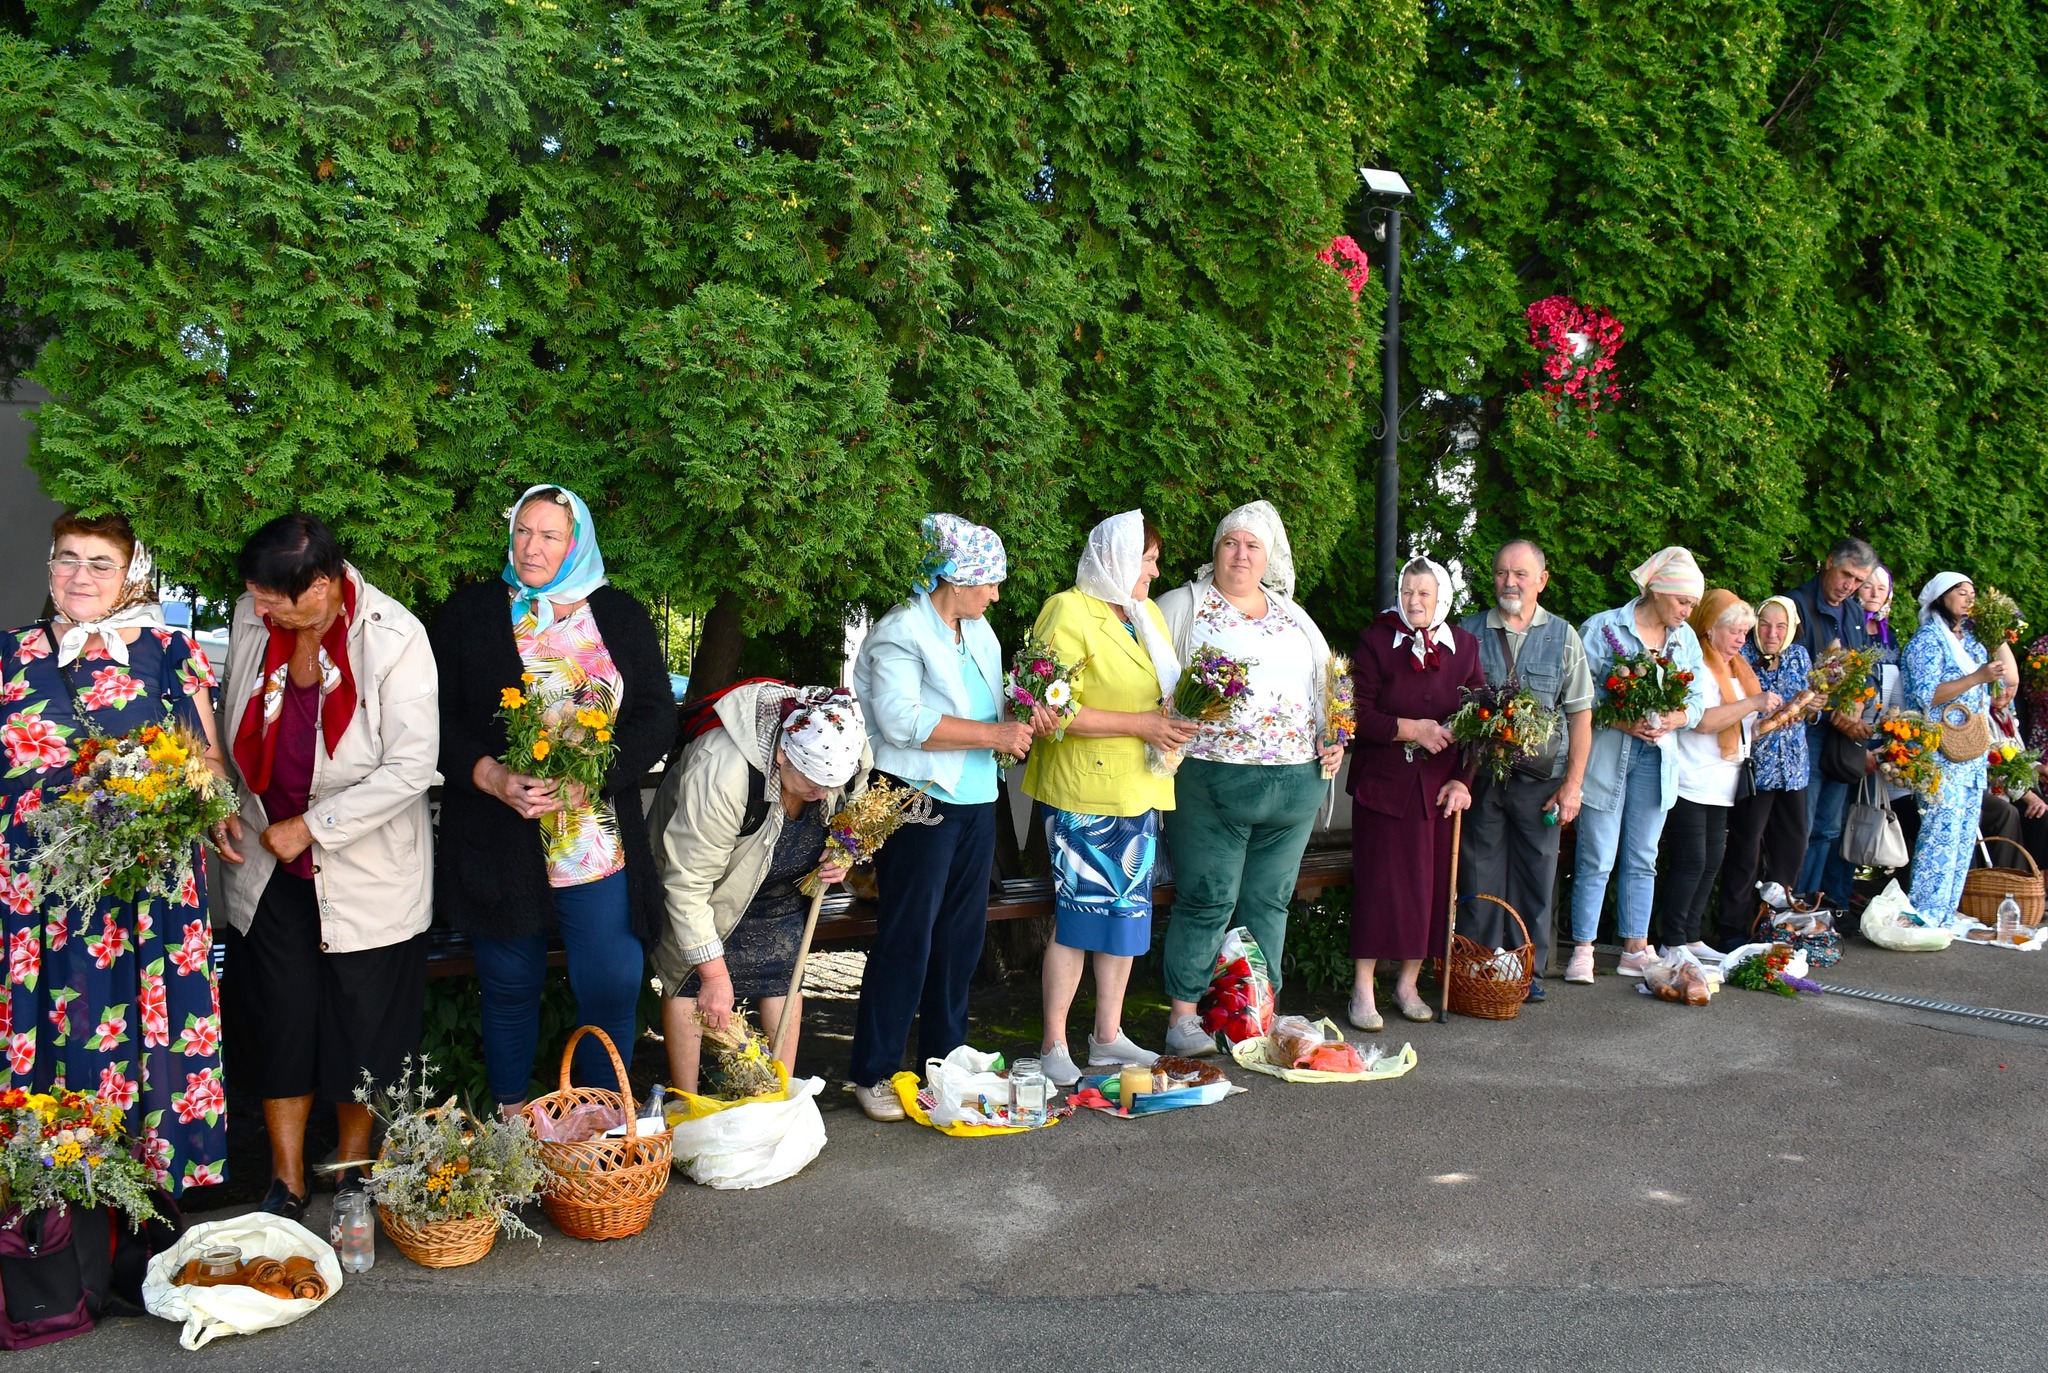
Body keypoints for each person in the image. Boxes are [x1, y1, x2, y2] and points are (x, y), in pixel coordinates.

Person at [215, 513, 437, 1218]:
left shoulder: (395, 636)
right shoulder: (252, 619)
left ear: (320, 587)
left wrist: (312, 827)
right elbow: (227, 722)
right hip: (267, 867)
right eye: (254, 594)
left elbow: (411, 766)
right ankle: (286, 1181)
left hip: (366, 871)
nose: (258, 608)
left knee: (361, 1028)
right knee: (279, 1021)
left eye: (271, 597)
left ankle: (351, 1174)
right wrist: (218, 798)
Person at [1, 513, 228, 1199]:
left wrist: (176, 796)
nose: (80, 575)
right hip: (38, 891)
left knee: (144, 1036)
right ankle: (53, 1208)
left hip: (144, 889)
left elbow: (210, 765)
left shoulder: (169, 651)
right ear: (49, 568)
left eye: (100, 562)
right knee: (56, 1031)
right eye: (67, 558)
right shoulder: (9, 655)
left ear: (131, 575)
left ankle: (146, 1209)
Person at [431, 486, 672, 1110]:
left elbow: (655, 715)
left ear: (576, 543)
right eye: (522, 531)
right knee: (509, 985)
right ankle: (514, 1128)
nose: (531, 547)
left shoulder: (619, 614)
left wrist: (594, 776)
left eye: (549, 536)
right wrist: (489, 775)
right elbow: (434, 717)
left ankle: (600, 1123)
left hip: (593, 837)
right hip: (500, 832)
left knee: (613, 980)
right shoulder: (471, 613)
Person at [847, 515, 1043, 1121]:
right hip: (917, 796)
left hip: (975, 795)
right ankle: (874, 1071)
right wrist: (994, 734)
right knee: (907, 935)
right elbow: (901, 720)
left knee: (961, 939)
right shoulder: (900, 632)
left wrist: (1030, 710)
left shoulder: (977, 630)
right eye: (990, 582)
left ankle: (944, 1061)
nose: (996, 595)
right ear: (956, 579)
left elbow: (990, 707)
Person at [1155, 502, 1339, 1053]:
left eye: (1252, 545)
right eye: (1230, 542)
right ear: (1215, 550)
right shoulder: (1182, 606)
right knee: (1206, 897)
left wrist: (1334, 738)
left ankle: (1257, 1012)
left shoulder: (1294, 615)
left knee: (1270, 901)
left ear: (1269, 556)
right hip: (1210, 783)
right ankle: (1184, 1017)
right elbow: (1148, 683)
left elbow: (1328, 688)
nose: (1240, 554)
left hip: (1295, 785)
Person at [1023, 511, 1193, 1084]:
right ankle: (1053, 1043)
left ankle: (1107, 1037)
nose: (1155, 571)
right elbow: (1050, 706)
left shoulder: (1145, 615)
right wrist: (1143, 725)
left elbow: (1160, 693)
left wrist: (1180, 717)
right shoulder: (1067, 610)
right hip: (1083, 793)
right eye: (1148, 559)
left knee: (1125, 916)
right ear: (1116, 559)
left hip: (1140, 788)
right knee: (1078, 919)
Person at [650, 684, 868, 1094]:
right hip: (708, 885)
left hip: (780, 885)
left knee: (783, 972)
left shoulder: (844, 741)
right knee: (690, 979)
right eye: (813, 782)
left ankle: (777, 1098)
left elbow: (857, 800)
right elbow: (687, 885)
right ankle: (687, 1103)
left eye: (831, 783)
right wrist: (715, 976)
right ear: (782, 754)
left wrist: (846, 848)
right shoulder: (723, 771)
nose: (823, 794)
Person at [1454, 539, 1594, 1002]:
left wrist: (1573, 786)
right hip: (1481, 779)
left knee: (1536, 877)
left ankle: (1525, 971)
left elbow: (1581, 716)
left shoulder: (1565, 636)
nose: (1509, 582)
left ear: (1542, 581)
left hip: (1541, 784)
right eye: (1501, 573)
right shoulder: (1467, 632)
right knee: (1478, 875)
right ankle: (1477, 966)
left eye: (1520, 574)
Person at [1346, 557, 1483, 1028]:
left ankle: (1408, 984)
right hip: (1383, 789)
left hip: (1437, 794)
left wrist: (1463, 780)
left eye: (1424, 593)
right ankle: (1363, 989)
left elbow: (1481, 722)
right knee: (1377, 888)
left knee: (1430, 891)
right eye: (1407, 591)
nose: (1414, 601)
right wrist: (1413, 730)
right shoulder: (1376, 641)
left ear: (1442, 597)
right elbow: (1356, 713)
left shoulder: (1464, 647)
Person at [1564, 547, 1707, 983]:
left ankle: (1634, 949)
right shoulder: (1604, 628)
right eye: (1683, 601)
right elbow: (1579, 697)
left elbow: (1698, 701)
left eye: (1693, 605)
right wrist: (1622, 720)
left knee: (1644, 857)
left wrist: (1676, 718)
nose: (1687, 611)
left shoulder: (1685, 639)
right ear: (1657, 592)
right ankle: (1583, 950)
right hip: (1607, 756)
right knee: (1597, 856)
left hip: (1657, 760)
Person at [1652, 593, 1781, 961]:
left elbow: (1743, 726)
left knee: (1711, 862)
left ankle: (1691, 936)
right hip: (1692, 779)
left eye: (1745, 632)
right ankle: (1671, 941)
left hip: (1723, 782)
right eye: (1734, 631)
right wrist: (1754, 704)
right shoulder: (1700, 667)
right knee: (1690, 862)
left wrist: (1775, 719)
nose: (1742, 639)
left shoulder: (1739, 668)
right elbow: (1704, 721)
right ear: (1710, 629)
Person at [1902, 573, 2006, 921]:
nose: (1968, 598)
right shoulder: (1927, 641)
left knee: (1961, 839)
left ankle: (1945, 913)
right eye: (1961, 592)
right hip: (1939, 755)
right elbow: (1926, 695)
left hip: (1971, 755)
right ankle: (1924, 913)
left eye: (1972, 593)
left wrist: (1996, 638)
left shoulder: (1974, 642)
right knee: (1939, 837)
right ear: (1940, 596)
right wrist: (1977, 677)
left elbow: (2001, 681)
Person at [1784, 538, 1878, 907]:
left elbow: (1864, 672)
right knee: (1801, 828)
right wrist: (1828, 711)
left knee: (1828, 828)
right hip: (1804, 733)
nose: (1849, 586)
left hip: (1840, 737)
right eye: (1846, 575)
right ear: (1828, 562)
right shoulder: (1796, 604)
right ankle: (1786, 909)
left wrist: (1856, 704)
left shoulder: (1854, 612)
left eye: (1858, 581)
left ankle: (1812, 907)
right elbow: (1788, 677)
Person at [1718, 595, 1812, 947]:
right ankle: (1731, 930)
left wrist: (1812, 707)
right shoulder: (1741, 658)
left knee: (1791, 847)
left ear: (1791, 629)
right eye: (1765, 625)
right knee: (1745, 850)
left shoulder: (1799, 656)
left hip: (1794, 770)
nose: (1772, 633)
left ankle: (1774, 925)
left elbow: (1809, 711)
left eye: (1781, 626)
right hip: (1756, 769)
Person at [1861, 565, 1897, 657]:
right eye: (1867, 587)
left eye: (1881, 589)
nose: (1875, 594)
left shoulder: (1889, 636)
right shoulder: (1846, 630)